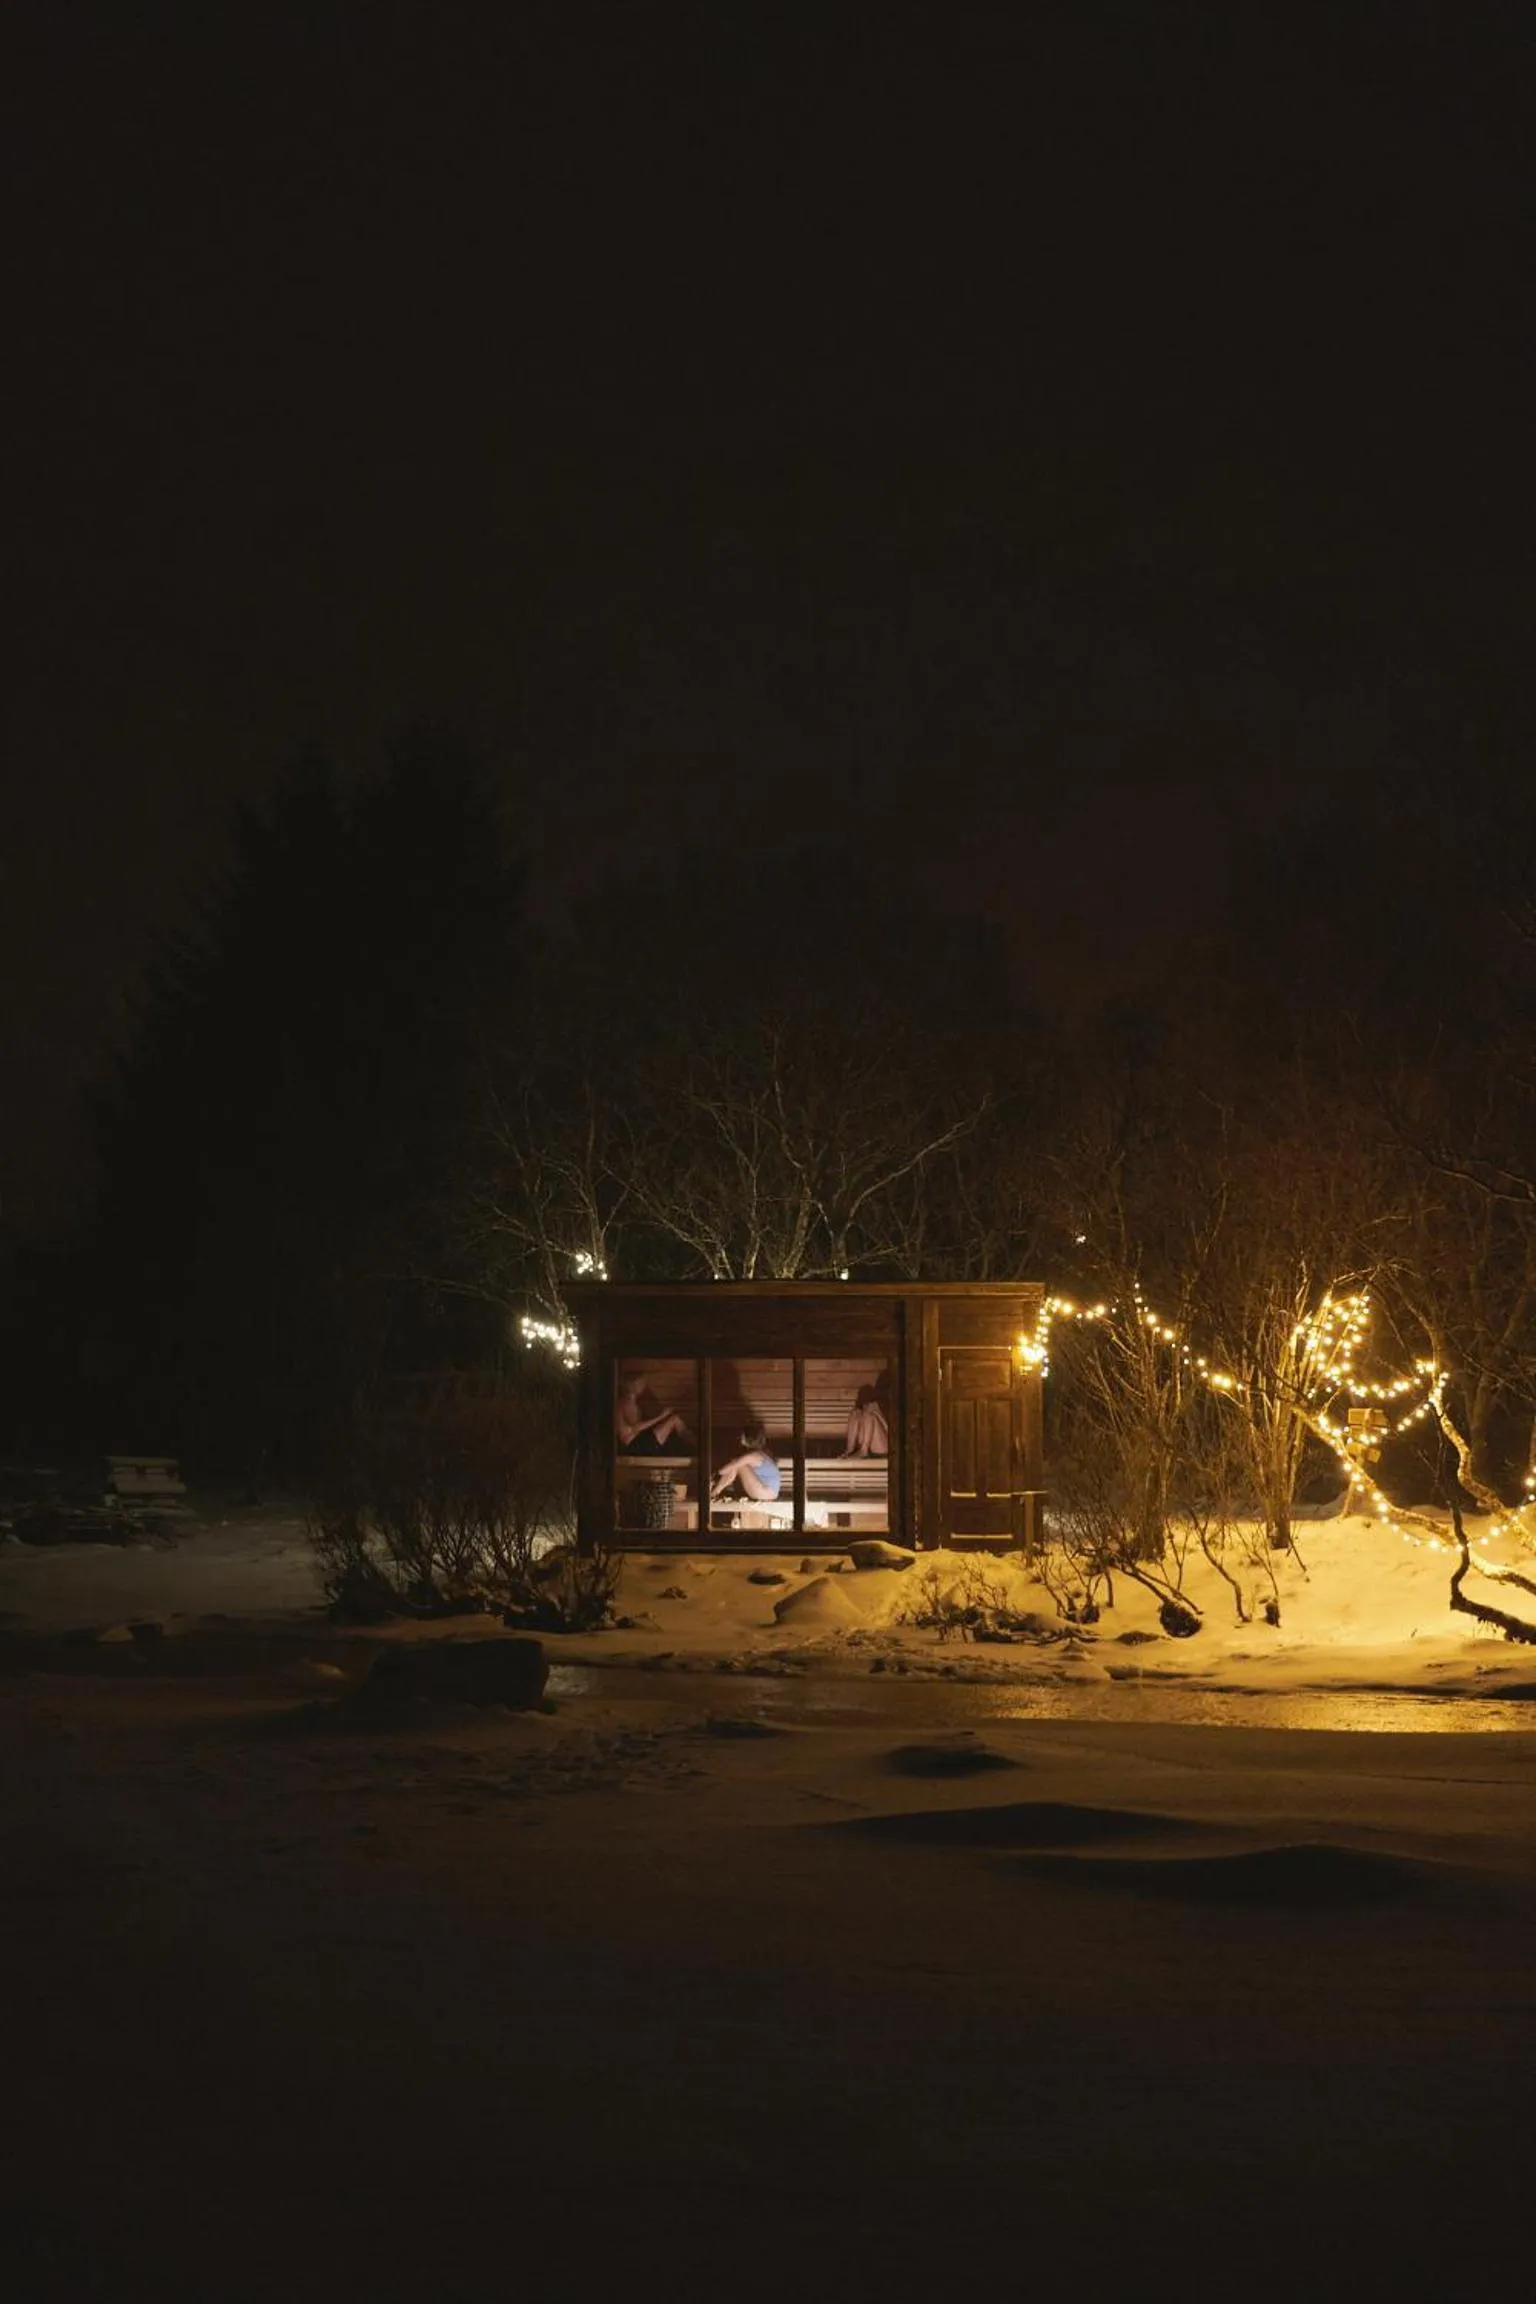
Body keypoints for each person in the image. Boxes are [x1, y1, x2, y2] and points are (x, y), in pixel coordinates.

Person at [616, 1374, 692, 1454]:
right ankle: (696, 1446)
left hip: (634, 1444)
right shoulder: (628, 1403)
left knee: (671, 1429)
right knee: (674, 1419)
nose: (644, 1386)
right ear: (633, 1385)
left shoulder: (625, 1401)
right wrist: (661, 1416)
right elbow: (636, 1428)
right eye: (641, 1383)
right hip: (636, 1447)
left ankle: (692, 1445)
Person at [710, 1425, 782, 1503]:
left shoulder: (753, 1456)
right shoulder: (761, 1453)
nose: (740, 1438)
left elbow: (725, 1469)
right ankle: (714, 1493)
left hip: (764, 1492)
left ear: (749, 1439)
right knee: (737, 1464)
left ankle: (713, 1493)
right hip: (768, 1493)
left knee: (738, 1464)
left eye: (742, 1436)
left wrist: (714, 1475)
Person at [839, 1383, 889, 1458]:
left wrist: (878, 1414)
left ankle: (863, 1451)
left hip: (883, 1449)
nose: (866, 1406)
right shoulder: (860, 1412)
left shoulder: (880, 1405)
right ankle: (849, 1450)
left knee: (869, 1416)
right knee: (855, 1414)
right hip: (869, 1447)